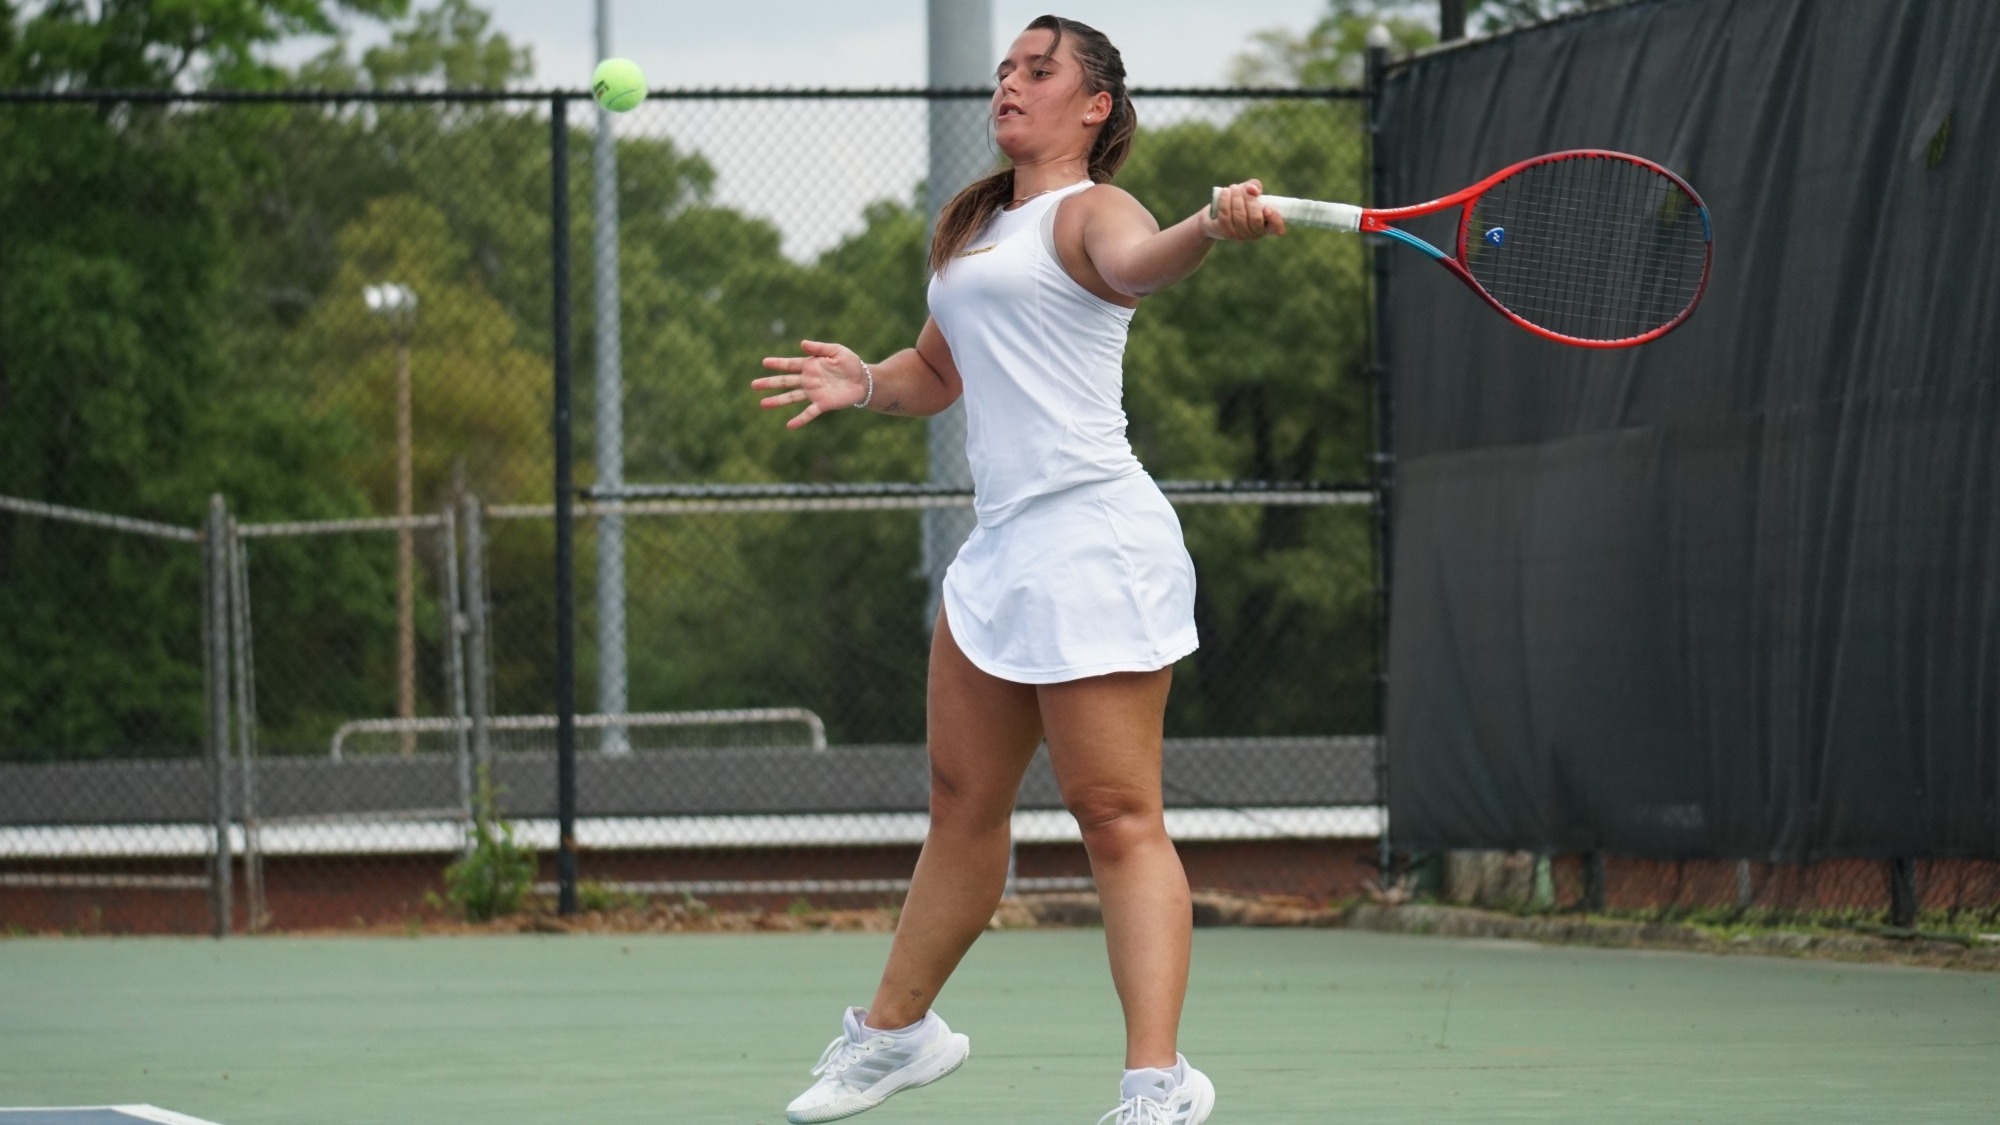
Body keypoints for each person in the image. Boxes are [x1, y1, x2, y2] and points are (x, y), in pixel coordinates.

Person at [752, 14, 1282, 1125]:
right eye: (1004, 69)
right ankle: (896, 1037)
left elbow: (1140, 267)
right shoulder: (977, 224)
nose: (1009, 83)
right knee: (959, 805)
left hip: (1094, 538)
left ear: (1092, 107)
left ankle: (1159, 1085)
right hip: (1000, 555)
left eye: (1037, 71)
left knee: (1113, 815)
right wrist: (866, 381)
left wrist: (1210, 223)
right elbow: (938, 371)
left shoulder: (1097, 210)